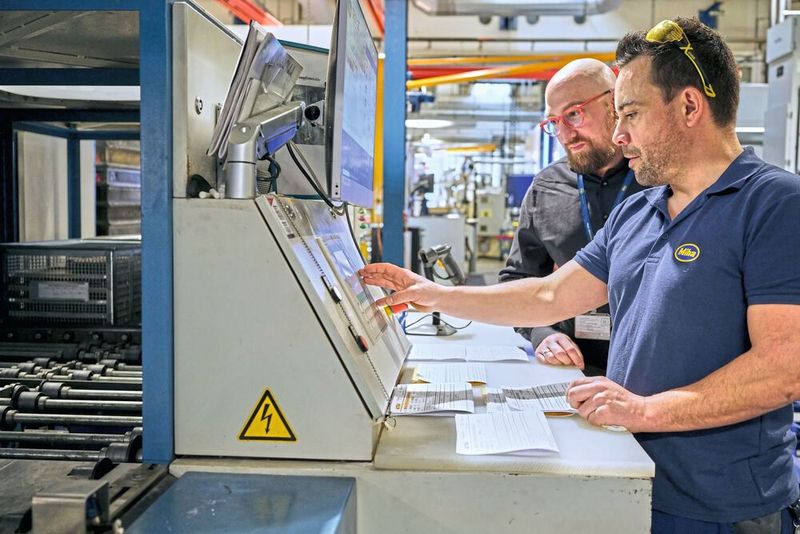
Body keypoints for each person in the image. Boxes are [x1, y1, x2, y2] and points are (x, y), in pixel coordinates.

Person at [361, 17, 800, 533]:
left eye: (630, 113)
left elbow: (783, 366)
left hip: (723, 504)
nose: (618, 134)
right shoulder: (640, 210)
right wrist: (433, 294)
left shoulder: (773, 205)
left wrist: (645, 411)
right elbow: (549, 295)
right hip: (635, 478)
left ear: (688, 106)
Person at [499, 58, 646, 375]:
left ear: (613, 102)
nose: (565, 135)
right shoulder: (546, 188)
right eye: (554, 122)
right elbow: (519, 278)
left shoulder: (658, 180)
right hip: (572, 370)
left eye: (574, 114)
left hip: (650, 374)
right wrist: (542, 334)